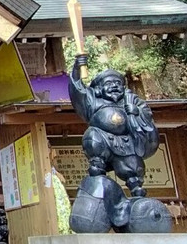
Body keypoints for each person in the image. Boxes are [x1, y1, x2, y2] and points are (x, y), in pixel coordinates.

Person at [68, 55, 159, 198]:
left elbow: (146, 113)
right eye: (109, 83)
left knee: (133, 167)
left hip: (126, 141)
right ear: (99, 88)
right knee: (92, 137)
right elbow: (77, 90)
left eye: (118, 83)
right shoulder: (93, 99)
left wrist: (136, 111)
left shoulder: (130, 100)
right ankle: (97, 166)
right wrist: (76, 69)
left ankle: (135, 186)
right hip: (102, 137)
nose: (114, 86)